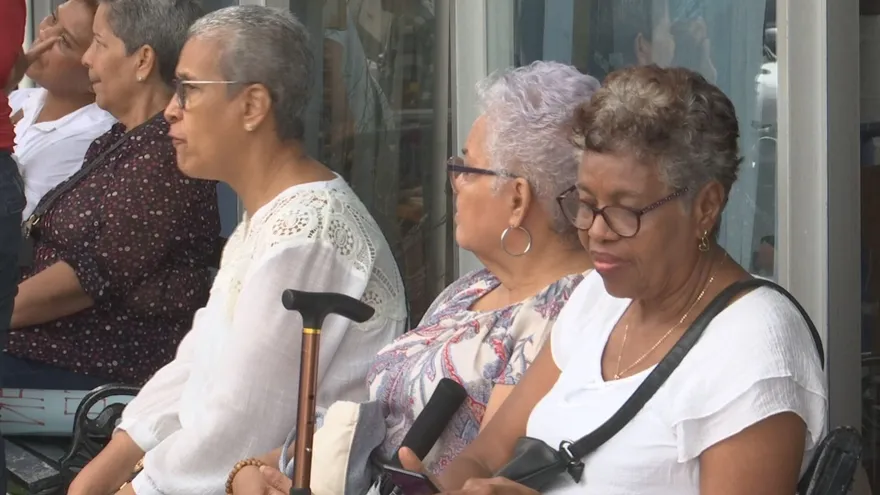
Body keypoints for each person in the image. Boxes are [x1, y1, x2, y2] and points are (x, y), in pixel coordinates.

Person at [375, 66, 826, 494]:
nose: (596, 230)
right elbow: (488, 452)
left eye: (625, 210)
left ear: (706, 207)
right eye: (585, 203)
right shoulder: (598, 298)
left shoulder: (754, 346)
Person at [70, 6, 408, 495]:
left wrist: (136, 488)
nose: (171, 107)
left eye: (188, 88)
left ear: (252, 107)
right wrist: (107, 466)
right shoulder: (272, 213)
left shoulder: (309, 232)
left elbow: (241, 424)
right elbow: (198, 362)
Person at [235, 61, 599, 493]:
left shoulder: (566, 315)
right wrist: (254, 472)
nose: (454, 181)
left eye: (468, 167)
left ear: (518, 199)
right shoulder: (470, 290)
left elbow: (483, 471)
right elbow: (375, 428)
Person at [4, 0, 218, 390]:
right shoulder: (122, 139)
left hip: (95, 363)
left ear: (143, 61)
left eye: (99, 44)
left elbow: (88, 278)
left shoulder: (162, 157)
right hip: (49, 345)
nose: (87, 59)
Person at [8, 0, 116, 220]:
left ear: (94, 66)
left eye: (64, 41)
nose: (45, 33)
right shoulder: (24, 98)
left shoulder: (90, 141)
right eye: (54, 18)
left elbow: (14, 217)